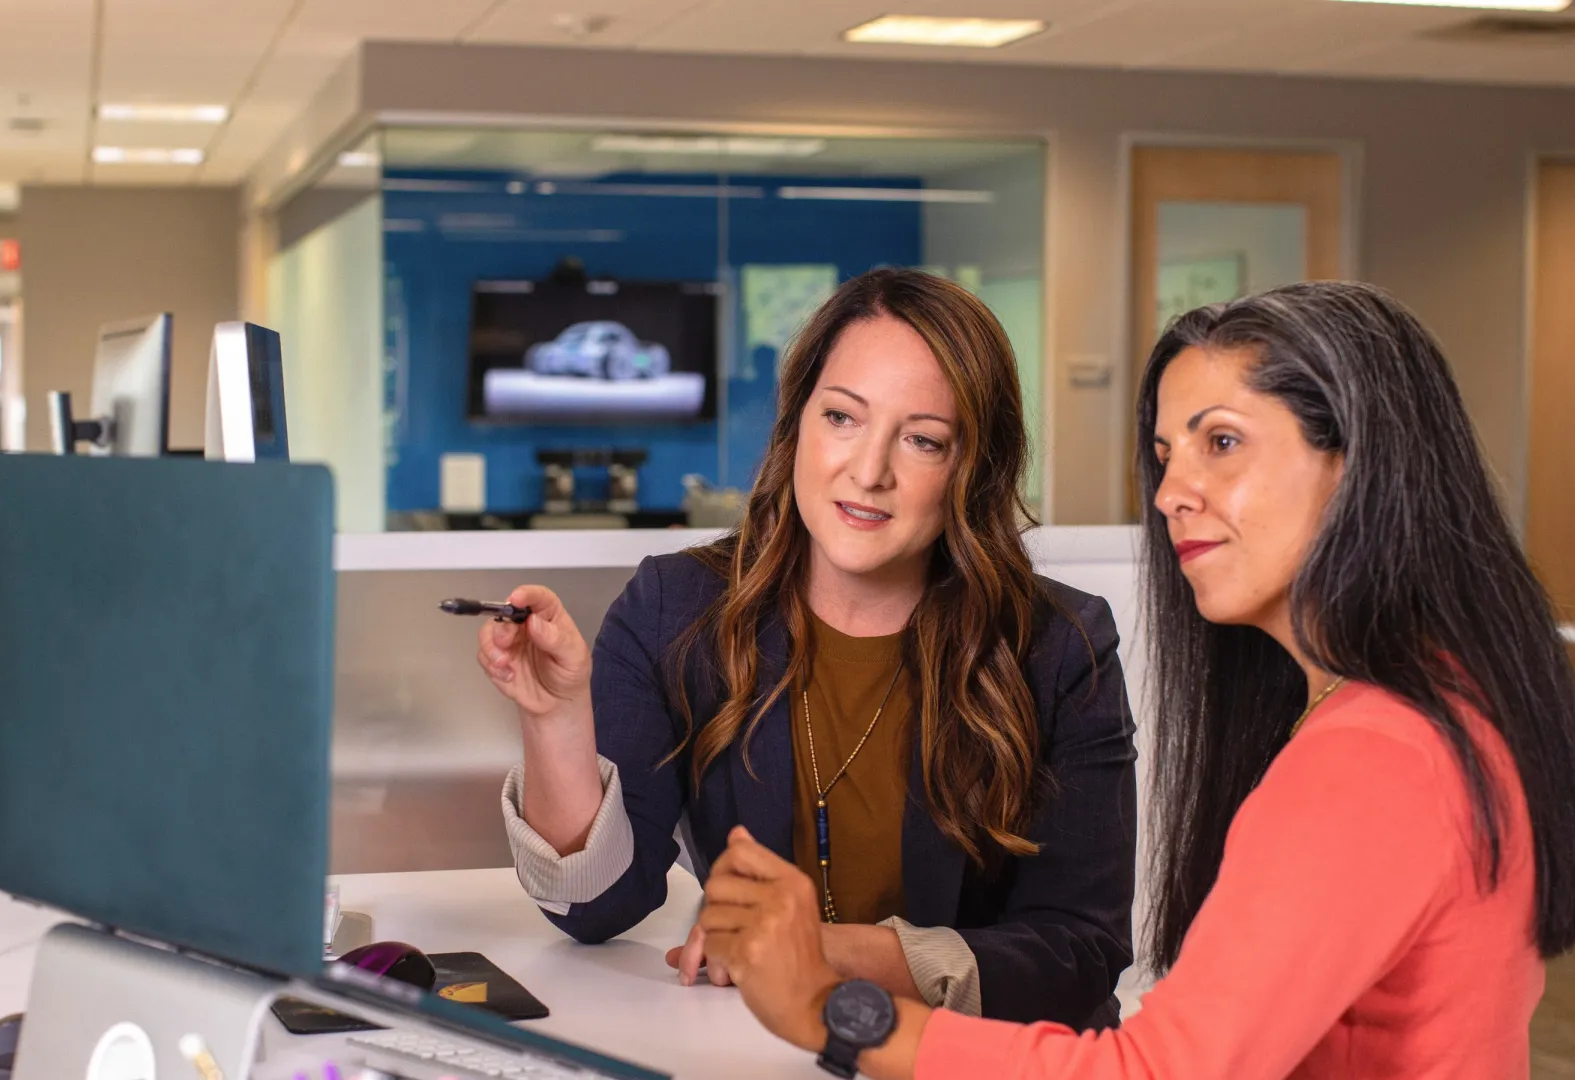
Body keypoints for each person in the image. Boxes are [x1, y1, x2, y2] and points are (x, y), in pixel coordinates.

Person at [696, 280, 1575, 1079]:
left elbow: (1161, 1071)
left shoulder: (1375, 755)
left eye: (1223, 442)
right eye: (1168, 453)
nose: (1171, 491)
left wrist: (830, 1012)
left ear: (1358, 464)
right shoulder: (1441, 703)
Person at [474, 267, 1138, 1027]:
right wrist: (556, 718)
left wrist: (825, 951)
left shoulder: (1059, 644)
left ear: (973, 469)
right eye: (842, 418)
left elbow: (1079, 951)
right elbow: (596, 908)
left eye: (922, 440)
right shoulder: (675, 608)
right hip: (762, 1054)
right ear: (797, 425)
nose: (869, 471)